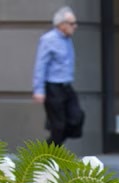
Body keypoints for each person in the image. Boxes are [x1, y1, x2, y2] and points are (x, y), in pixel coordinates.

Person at [32, 6, 84, 146]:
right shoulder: (48, 40)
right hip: (53, 87)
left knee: (77, 118)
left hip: (67, 86)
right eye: (72, 24)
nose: (75, 26)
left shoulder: (67, 39)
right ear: (62, 25)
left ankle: (49, 150)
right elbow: (40, 65)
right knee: (58, 126)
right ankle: (47, 155)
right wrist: (39, 90)